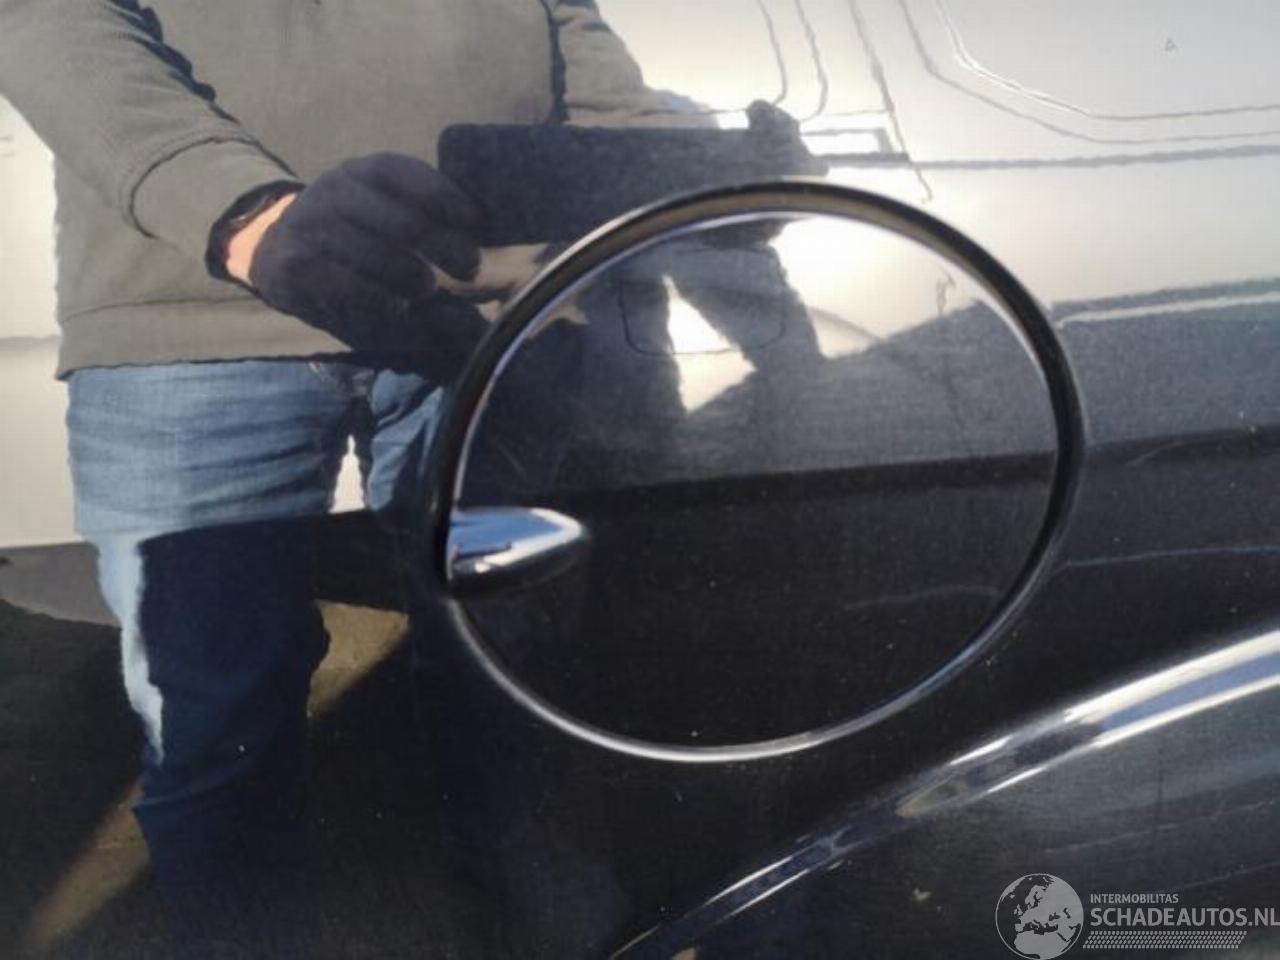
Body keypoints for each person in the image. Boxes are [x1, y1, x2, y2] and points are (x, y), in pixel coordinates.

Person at [0, 2, 686, 957]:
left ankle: (522, 920)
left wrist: (686, 170)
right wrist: (243, 212)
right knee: (216, 707)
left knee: (494, 653)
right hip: (195, 320)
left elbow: (584, 60)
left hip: (491, 321)